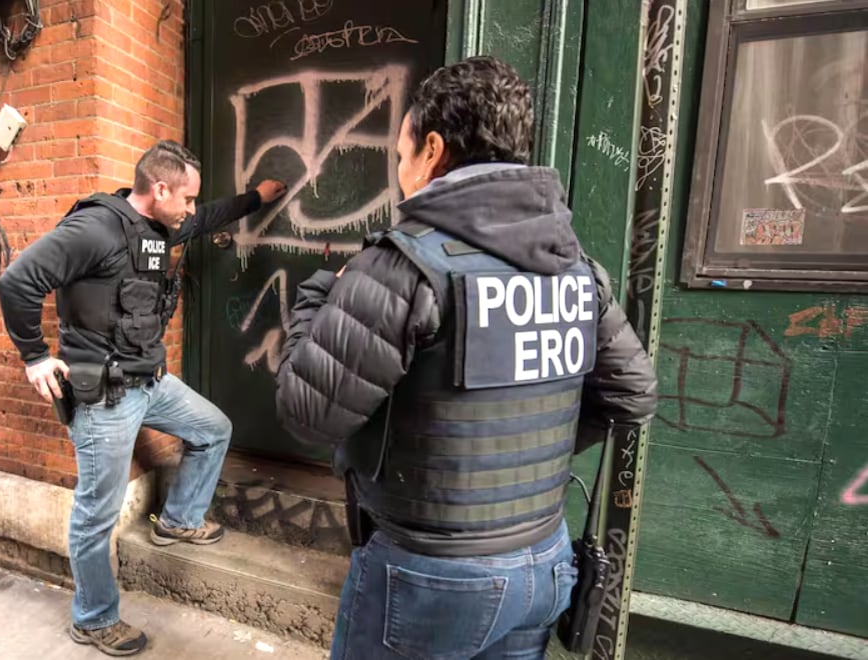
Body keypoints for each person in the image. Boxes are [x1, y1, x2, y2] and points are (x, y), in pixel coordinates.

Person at [274, 57, 658, 659]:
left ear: (433, 149)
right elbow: (633, 393)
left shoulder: (405, 266)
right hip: (544, 560)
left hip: (432, 577)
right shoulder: (576, 268)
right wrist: (521, 454)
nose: (401, 174)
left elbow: (305, 411)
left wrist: (322, 293)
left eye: (401, 158)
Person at [0, 140, 286, 657]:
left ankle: (178, 520)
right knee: (95, 513)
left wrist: (256, 198)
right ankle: (93, 618)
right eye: (188, 198)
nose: (194, 209)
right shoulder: (95, 229)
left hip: (150, 381)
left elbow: (210, 215)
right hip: (105, 396)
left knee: (213, 429)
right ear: (160, 189)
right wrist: (35, 355)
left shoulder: (161, 225)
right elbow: (18, 280)